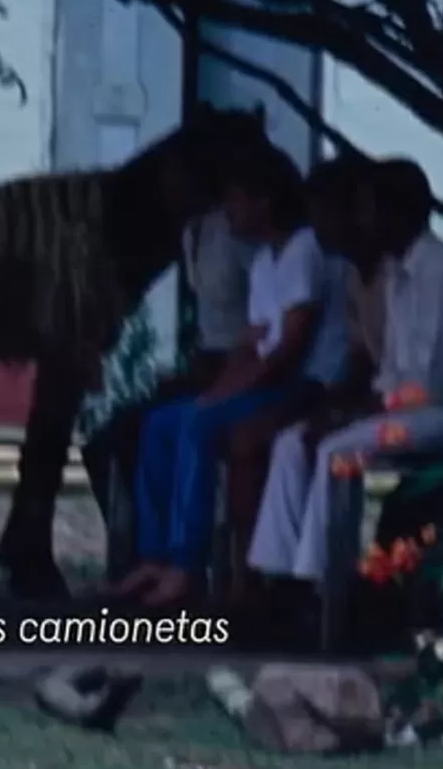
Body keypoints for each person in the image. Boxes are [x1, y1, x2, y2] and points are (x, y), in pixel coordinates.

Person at [109, 143, 353, 611]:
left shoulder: (303, 251)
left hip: (303, 385)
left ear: (264, 200)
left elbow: (287, 348)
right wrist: (216, 391)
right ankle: (154, 556)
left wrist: (219, 400)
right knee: (162, 423)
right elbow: (250, 345)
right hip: (267, 380)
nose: (228, 212)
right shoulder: (264, 262)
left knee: (201, 426)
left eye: (236, 200)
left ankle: (186, 562)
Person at [248, 158, 443, 611]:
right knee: (292, 442)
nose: (362, 222)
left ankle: (323, 587)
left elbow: (428, 387)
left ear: (398, 213)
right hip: (408, 410)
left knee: (334, 451)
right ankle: (278, 579)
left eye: (368, 209)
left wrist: (357, 412)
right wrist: (350, 408)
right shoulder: (398, 272)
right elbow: (393, 374)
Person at [223, 154, 372, 600]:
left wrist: (337, 407)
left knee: (268, 439)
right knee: (281, 441)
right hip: (335, 390)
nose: (316, 223)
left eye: (324, 212)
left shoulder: (342, 265)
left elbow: (359, 365)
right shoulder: (354, 274)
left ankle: (309, 584)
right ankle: (275, 578)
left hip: (342, 391)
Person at [81, 199, 254, 540]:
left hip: (238, 368)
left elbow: (257, 332)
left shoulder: (238, 238)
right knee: (109, 439)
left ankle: (173, 553)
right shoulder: (191, 234)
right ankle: (140, 551)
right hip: (208, 365)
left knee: (169, 428)